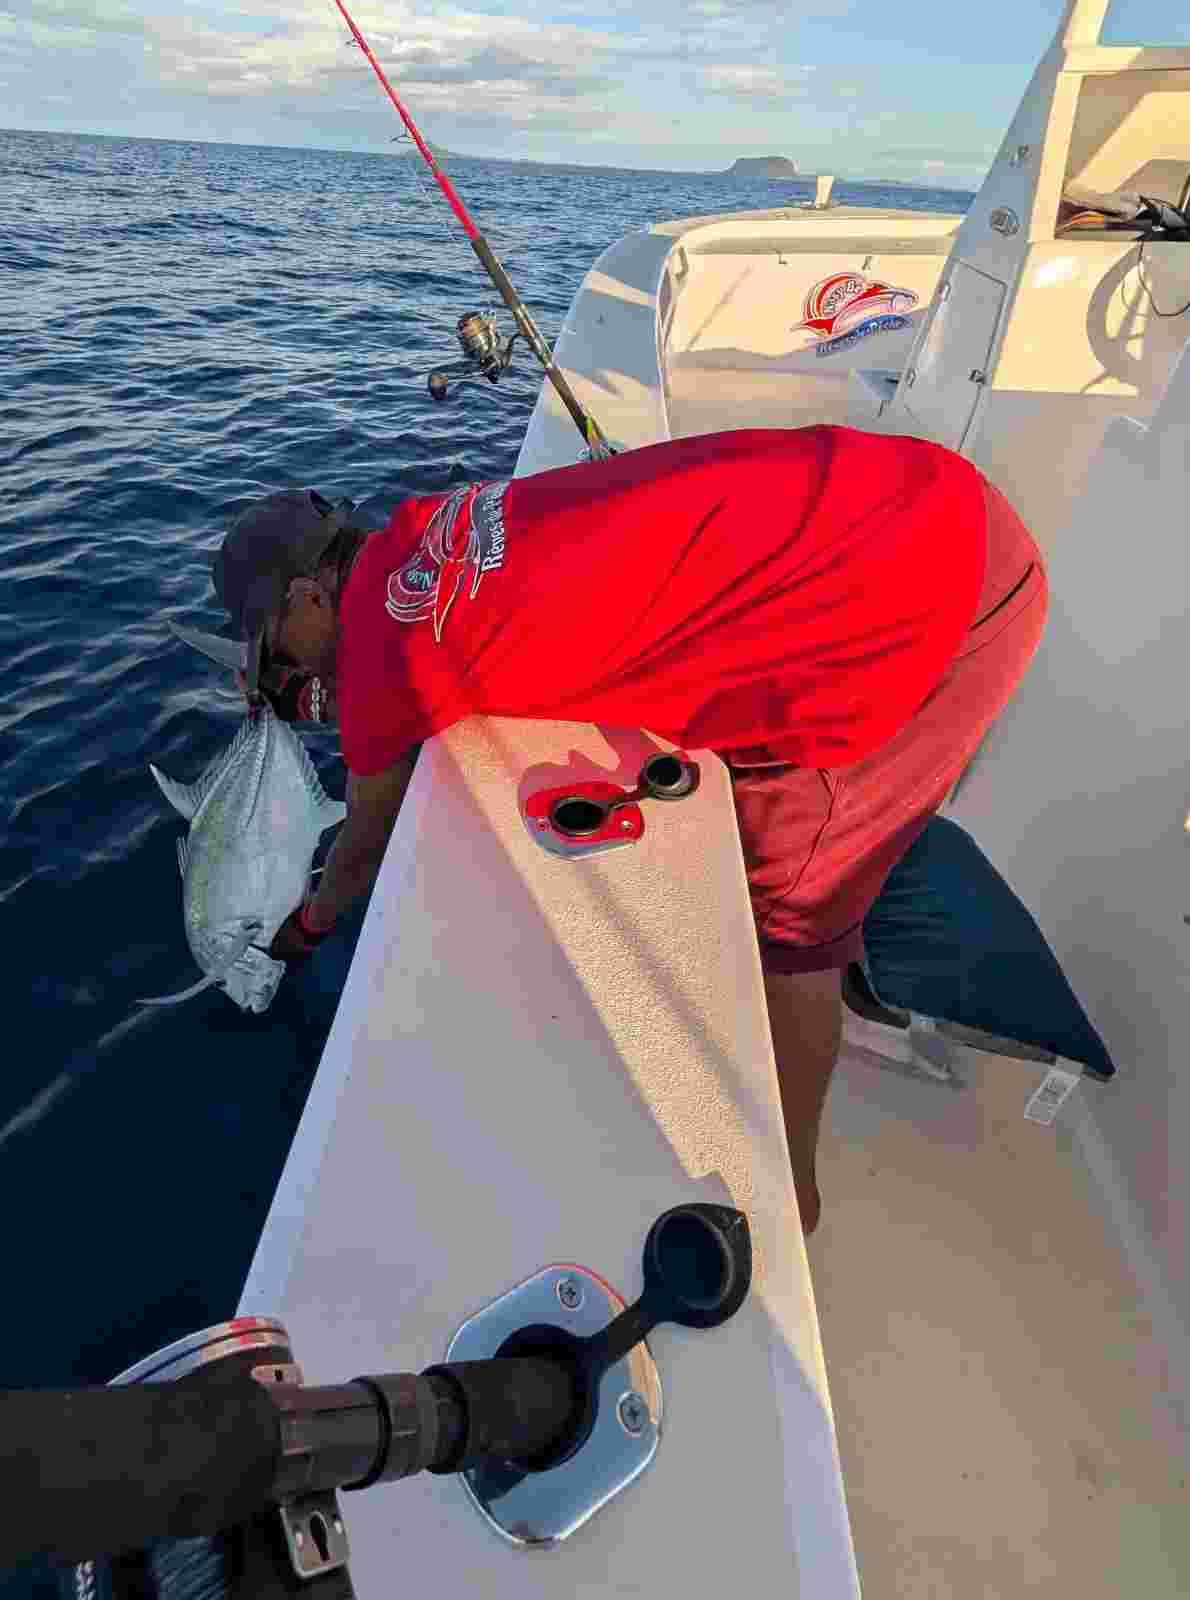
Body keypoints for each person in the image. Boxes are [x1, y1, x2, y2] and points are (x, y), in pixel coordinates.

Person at [210, 425, 1048, 1235]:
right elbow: (474, 618)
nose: (290, 672)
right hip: (916, 491)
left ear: (312, 599)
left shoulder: (383, 665)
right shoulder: (430, 523)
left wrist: (310, 924)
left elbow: (363, 838)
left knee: (790, 916)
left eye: (279, 649)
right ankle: (860, 935)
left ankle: (789, 1195)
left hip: (942, 602)